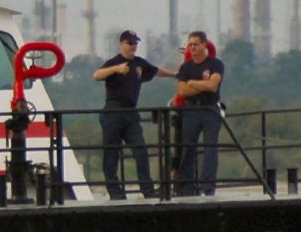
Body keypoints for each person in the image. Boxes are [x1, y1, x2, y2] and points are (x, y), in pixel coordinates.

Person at [91, 29, 171, 199]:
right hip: (113, 111)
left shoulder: (139, 63)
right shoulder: (114, 62)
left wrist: (175, 75)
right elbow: (97, 75)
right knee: (112, 152)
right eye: (130, 43)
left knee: (140, 150)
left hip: (131, 112)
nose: (133, 46)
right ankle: (115, 191)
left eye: (135, 43)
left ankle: (147, 190)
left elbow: (156, 71)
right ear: (122, 44)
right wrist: (116, 69)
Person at [172, 31, 225, 195]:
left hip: (210, 109)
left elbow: (213, 86)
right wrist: (203, 84)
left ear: (204, 45)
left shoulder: (215, 64)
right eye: (190, 44)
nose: (193, 47)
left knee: (210, 148)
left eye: (196, 44)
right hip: (192, 110)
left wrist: (194, 83)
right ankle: (186, 187)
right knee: (188, 148)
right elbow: (181, 90)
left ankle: (208, 187)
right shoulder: (186, 67)